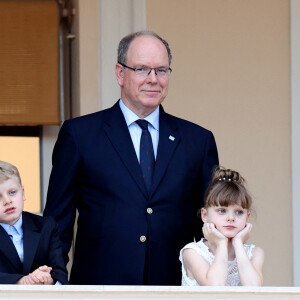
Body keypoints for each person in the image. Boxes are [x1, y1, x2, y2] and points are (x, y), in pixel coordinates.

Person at [43, 30, 219, 285]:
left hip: (173, 287)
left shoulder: (198, 141)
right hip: (99, 288)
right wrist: (55, 283)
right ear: (120, 73)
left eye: (161, 70)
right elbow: (57, 222)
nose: (153, 79)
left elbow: (210, 222)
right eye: (142, 69)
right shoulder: (80, 135)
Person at [179, 167, 264, 286]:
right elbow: (215, 288)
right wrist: (221, 243)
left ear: (247, 217)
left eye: (239, 212)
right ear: (205, 215)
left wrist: (238, 243)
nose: (231, 218)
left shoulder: (255, 253)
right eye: (222, 211)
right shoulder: (193, 252)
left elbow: (254, 290)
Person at [0, 161, 68, 285]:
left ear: (23, 192)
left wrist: (48, 279)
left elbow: (59, 272)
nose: (7, 201)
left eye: (12, 192)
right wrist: (22, 281)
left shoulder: (46, 226)